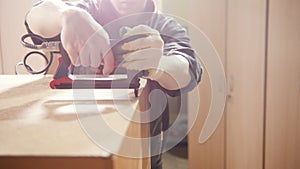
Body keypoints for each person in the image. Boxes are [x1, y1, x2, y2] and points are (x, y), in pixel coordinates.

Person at [25, 0, 202, 168]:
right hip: (76, 143)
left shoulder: (165, 26)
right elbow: (34, 17)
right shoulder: (86, 10)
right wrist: (67, 15)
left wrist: (159, 65)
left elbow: (189, 70)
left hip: (145, 153)